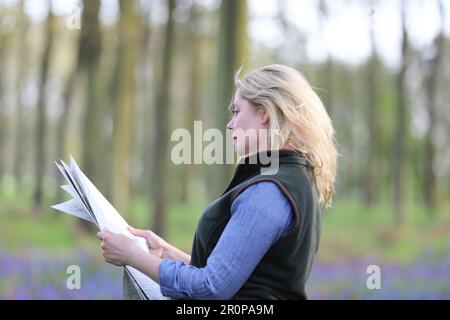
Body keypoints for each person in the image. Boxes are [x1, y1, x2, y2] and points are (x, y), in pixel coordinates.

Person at [96, 64, 337, 300]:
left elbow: (211, 288)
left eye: (236, 111)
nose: (229, 124)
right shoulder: (293, 178)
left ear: (264, 112)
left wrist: (133, 257)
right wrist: (167, 255)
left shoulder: (269, 190)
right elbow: (236, 278)